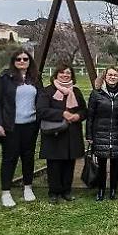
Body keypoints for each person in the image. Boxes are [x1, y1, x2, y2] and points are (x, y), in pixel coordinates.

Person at [0, 49, 42, 207]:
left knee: (28, 157)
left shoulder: (35, 78)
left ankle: (28, 187)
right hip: (11, 126)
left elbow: (41, 98)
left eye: (25, 59)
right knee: (9, 158)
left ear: (29, 61)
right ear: (13, 61)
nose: (22, 61)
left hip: (30, 125)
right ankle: (6, 192)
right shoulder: (5, 78)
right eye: (18, 59)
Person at [36, 62, 86, 203]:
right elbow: (41, 110)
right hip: (55, 133)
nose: (65, 75)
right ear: (56, 75)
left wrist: (78, 116)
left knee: (69, 164)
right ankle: (54, 192)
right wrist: (62, 114)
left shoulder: (76, 92)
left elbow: (84, 110)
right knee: (54, 164)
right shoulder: (48, 91)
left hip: (72, 133)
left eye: (68, 73)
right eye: (62, 73)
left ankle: (66, 190)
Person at [86, 66, 118, 201]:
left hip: (117, 133)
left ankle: (113, 190)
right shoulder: (96, 94)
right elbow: (90, 116)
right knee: (101, 165)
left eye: (115, 75)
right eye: (110, 75)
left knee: (115, 164)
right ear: (104, 76)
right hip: (100, 133)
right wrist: (89, 136)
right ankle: (101, 190)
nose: (112, 77)